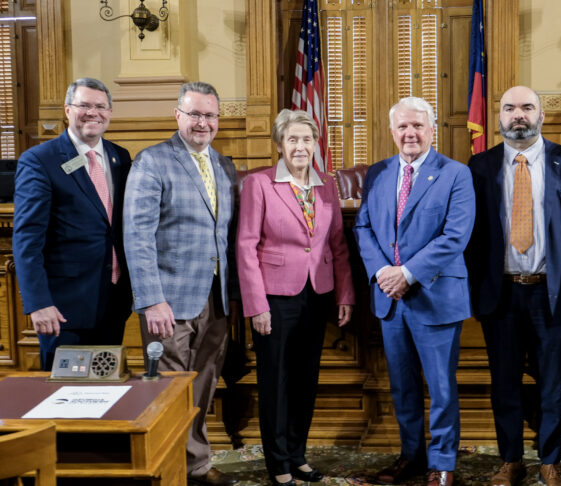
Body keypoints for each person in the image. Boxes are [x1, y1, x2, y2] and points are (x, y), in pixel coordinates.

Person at [466, 86, 561, 486]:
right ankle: (510, 460)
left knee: (553, 382)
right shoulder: (479, 166)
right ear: (499, 118)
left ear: (541, 115)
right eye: (509, 108)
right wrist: (472, 290)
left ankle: (550, 461)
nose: (517, 115)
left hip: (550, 292)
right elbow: (471, 235)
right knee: (504, 381)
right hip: (500, 292)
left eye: (526, 107)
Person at [123, 82, 240, 486]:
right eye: (195, 114)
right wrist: (151, 300)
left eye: (210, 115)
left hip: (217, 297)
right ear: (178, 116)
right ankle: (169, 470)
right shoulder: (152, 161)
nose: (202, 122)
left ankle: (195, 465)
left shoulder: (225, 166)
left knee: (204, 382)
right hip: (169, 300)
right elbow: (137, 235)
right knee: (168, 389)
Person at [354, 96, 474, 486]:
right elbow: (364, 228)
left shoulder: (455, 173)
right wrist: (383, 273)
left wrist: (406, 273)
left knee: (440, 387)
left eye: (418, 126)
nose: (410, 133)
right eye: (403, 127)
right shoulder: (378, 173)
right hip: (390, 299)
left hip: (435, 295)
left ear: (431, 129)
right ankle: (411, 457)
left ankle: (443, 465)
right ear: (392, 132)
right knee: (402, 386)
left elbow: (455, 236)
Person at [236, 109, 354, 486]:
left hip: (316, 294)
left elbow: (337, 246)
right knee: (276, 382)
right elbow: (246, 246)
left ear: (315, 143)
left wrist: (344, 294)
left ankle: (298, 456)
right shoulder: (260, 184)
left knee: (305, 380)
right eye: (292, 140)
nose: (300, 146)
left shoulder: (326, 186)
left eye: (306, 139)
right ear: (280, 145)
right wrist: (257, 305)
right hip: (274, 298)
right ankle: (278, 464)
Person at [13, 77, 132, 370]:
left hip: (113, 303)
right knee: (65, 398)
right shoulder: (40, 160)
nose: (93, 113)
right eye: (84, 105)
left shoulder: (120, 157)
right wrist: (38, 303)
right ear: (68, 110)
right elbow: (27, 240)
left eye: (101, 106)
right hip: (63, 309)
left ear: (110, 113)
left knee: (105, 394)